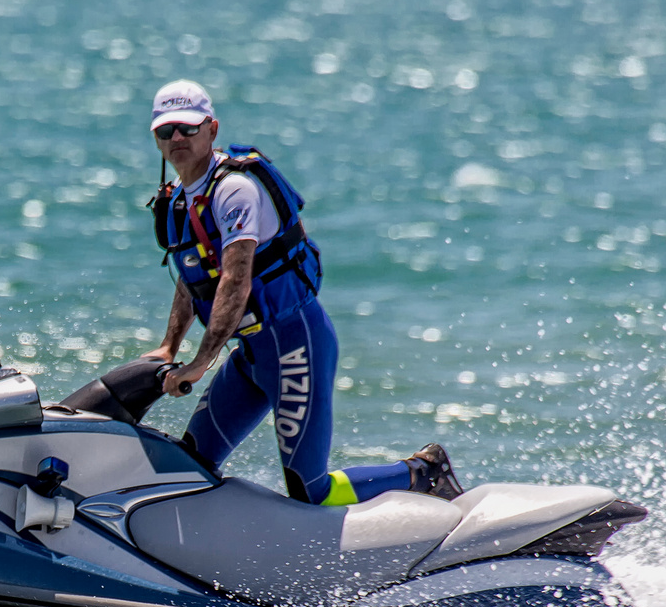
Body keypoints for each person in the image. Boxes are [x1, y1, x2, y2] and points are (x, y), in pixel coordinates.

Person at [143, 79, 462, 506]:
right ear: (157, 139)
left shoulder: (235, 190)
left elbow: (235, 282)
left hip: (296, 344)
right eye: (167, 131)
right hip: (253, 353)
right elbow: (193, 277)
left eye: (188, 128)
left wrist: (201, 361)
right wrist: (168, 348)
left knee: (310, 490)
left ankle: (422, 472)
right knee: (193, 463)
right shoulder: (179, 201)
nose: (177, 138)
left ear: (212, 129)